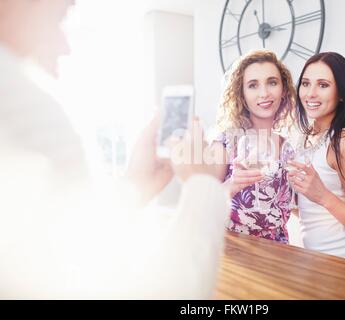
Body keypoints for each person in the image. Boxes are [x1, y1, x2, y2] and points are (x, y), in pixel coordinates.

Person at [0, 0, 229, 299]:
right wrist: (204, 185)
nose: (65, 46)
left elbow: (65, 247)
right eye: (59, 17)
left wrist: (134, 186)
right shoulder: (22, 110)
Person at [288, 52, 345, 264]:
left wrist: (323, 195)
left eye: (323, 85)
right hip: (316, 265)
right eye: (306, 83)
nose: (311, 93)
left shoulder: (343, 141)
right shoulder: (304, 137)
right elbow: (312, 214)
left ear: (341, 93)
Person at [212, 49, 297, 243]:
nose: (264, 93)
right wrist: (232, 185)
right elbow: (201, 204)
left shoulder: (289, 148)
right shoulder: (225, 142)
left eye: (272, 82)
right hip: (232, 251)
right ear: (241, 94)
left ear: (283, 90)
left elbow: (296, 209)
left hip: (278, 254)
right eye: (253, 85)